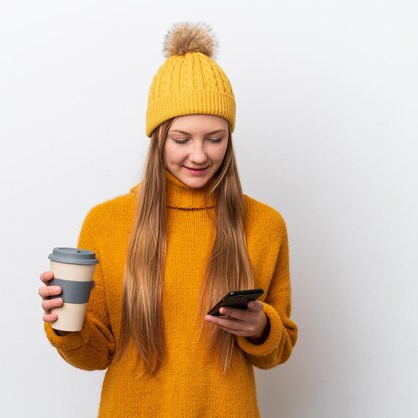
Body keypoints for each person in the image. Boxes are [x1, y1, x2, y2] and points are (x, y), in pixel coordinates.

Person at [38, 22, 298, 417]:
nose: (199, 155)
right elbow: (95, 356)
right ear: (158, 137)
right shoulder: (107, 222)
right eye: (181, 139)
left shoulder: (264, 225)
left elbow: (277, 352)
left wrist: (262, 328)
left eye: (215, 137)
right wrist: (64, 325)